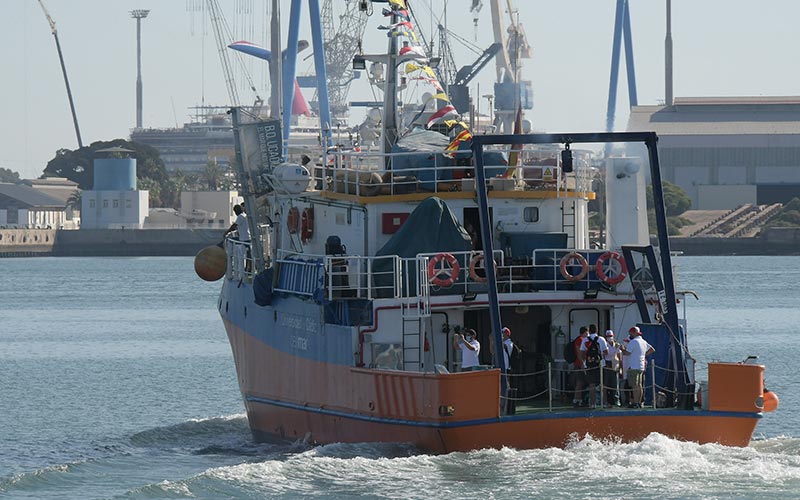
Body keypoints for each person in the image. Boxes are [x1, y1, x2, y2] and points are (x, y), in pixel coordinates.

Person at [622, 326, 655, 408]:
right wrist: (643, 355)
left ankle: (635, 403)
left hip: (634, 366)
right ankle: (639, 402)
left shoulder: (633, 342)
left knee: (634, 385)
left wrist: (622, 349)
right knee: (639, 385)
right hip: (641, 366)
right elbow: (652, 349)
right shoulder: (643, 341)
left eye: (631, 334)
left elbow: (627, 353)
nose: (630, 335)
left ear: (634, 333)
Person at [581, 324, 608, 408]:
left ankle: (592, 404)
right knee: (602, 384)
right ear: (597, 330)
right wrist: (599, 355)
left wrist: (588, 359)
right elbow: (606, 352)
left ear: (590, 331)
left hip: (589, 365)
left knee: (591, 384)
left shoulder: (585, 340)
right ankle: (604, 403)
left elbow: (582, 353)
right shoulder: (601, 339)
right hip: (600, 365)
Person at [224, 204, 251, 272]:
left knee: (230, 241)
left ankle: (246, 267)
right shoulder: (244, 215)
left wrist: (226, 232)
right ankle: (248, 267)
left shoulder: (240, 217)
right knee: (248, 254)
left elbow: (234, 226)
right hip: (246, 237)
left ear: (236, 211)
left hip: (244, 238)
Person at [570, 326, 589, 407]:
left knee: (581, 382)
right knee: (579, 382)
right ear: (585, 332)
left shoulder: (581, 340)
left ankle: (579, 399)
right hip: (579, 364)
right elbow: (579, 353)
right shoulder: (580, 340)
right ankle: (576, 399)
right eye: (587, 333)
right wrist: (582, 364)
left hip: (581, 363)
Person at [603, 329, 622, 407]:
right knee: (605, 384)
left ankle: (616, 400)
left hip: (615, 365)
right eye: (608, 336)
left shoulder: (617, 345)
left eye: (610, 336)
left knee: (615, 384)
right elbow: (603, 355)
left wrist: (620, 368)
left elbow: (620, 357)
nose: (609, 338)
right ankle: (605, 401)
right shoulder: (604, 345)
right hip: (607, 365)